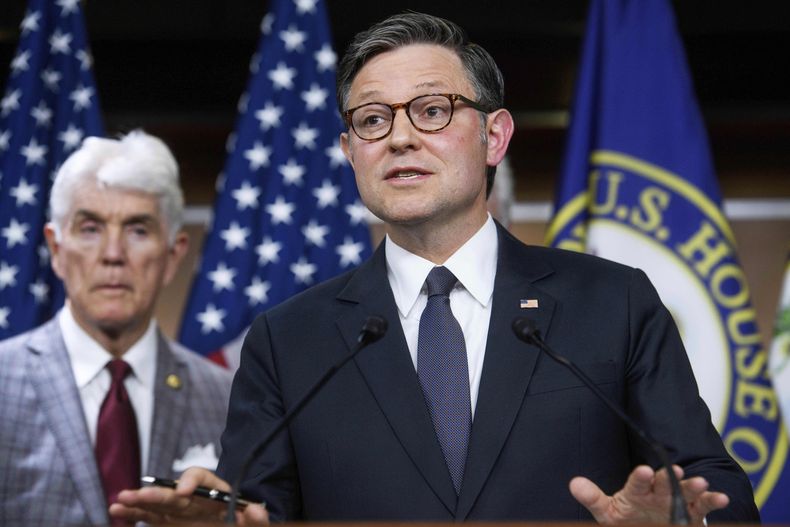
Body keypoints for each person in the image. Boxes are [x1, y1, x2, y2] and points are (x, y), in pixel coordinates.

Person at [111, 13, 759, 525]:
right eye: (372, 120)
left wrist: (679, 520)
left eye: (432, 110)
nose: (399, 138)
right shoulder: (287, 340)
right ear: (350, 152)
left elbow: (718, 488)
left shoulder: (612, 302)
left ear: (494, 136)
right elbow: (257, 509)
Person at [0, 130, 233, 525]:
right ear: (56, 249)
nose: (113, 254)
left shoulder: (225, 396)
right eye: (90, 229)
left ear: (173, 255)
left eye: (137, 230)